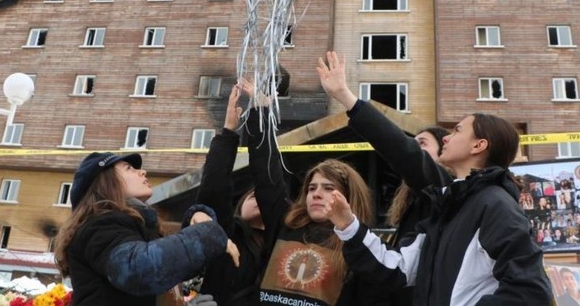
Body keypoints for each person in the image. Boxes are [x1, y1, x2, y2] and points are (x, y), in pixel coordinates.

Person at [316, 50, 553, 305]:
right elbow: (396, 270)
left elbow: (531, 293)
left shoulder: (494, 204)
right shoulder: (445, 206)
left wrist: (346, 97)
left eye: (458, 130)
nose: (447, 138)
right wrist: (348, 225)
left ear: (478, 146)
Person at [239, 80, 382, 306]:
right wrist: (261, 113)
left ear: (348, 197)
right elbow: (267, 175)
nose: (316, 194)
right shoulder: (285, 223)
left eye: (329, 188)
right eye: (312, 188)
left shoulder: (360, 248)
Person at [54, 151, 238, 306]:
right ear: (106, 183)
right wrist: (204, 235)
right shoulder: (97, 226)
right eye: (129, 168)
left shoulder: (138, 228)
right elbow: (139, 270)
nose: (143, 172)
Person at [190, 84, 266, 305]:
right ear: (238, 207)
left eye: (262, 197)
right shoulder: (226, 234)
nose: (259, 198)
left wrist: (262, 116)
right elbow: (214, 188)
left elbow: (270, 181)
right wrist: (228, 132)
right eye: (252, 197)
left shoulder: (280, 241)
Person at [383, 126, 449, 306]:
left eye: (422, 143)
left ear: (444, 152)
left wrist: (352, 104)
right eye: (413, 143)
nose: (414, 147)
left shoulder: (445, 189)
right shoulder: (414, 202)